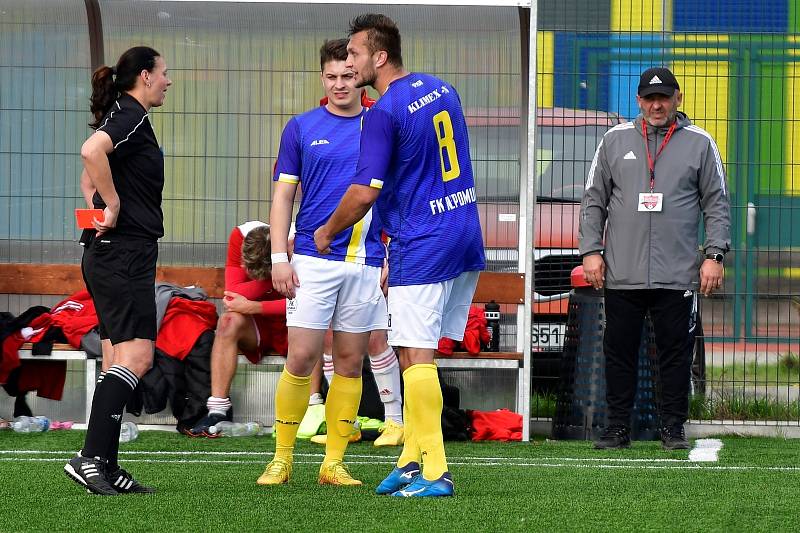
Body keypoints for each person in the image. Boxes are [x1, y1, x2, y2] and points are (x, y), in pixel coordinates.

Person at [314, 14, 485, 498]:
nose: (349, 62)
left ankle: (437, 472)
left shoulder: (384, 112)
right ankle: (411, 460)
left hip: (424, 240)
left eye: (355, 54)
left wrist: (326, 231)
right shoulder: (441, 88)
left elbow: (365, 192)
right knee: (413, 351)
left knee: (417, 355)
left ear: (379, 56)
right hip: (462, 230)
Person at [578, 67, 731, 451]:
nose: (657, 105)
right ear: (638, 101)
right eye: (649, 98)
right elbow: (593, 199)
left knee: (675, 354)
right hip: (622, 272)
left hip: (676, 273)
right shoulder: (614, 140)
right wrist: (591, 251)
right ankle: (616, 428)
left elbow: (717, 203)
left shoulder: (700, 142)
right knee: (619, 352)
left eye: (664, 97)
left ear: (678, 98)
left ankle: (673, 428)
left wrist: (714, 254)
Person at [259, 38, 389, 487]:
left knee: (351, 362)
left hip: (366, 261)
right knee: (301, 356)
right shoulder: (300, 127)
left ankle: (333, 462)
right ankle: (282, 457)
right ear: (322, 78)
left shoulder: (381, 124)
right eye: (332, 77)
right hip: (313, 260)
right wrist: (280, 257)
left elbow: (391, 195)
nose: (340, 84)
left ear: (361, 77)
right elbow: (282, 196)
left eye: (348, 76)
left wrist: (390, 253)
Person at [64, 46, 171, 495]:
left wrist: (99, 202)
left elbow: (89, 173)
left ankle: (104, 464)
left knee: (115, 358)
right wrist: (113, 204)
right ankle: (89, 458)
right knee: (137, 357)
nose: (168, 81)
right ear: (144, 76)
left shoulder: (124, 115)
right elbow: (92, 152)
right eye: (164, 73)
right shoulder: (130, 115)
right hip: (122, 254)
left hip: (114, 253)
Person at [185, 221, 328, 437]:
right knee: (227, 322)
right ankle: (218, 411)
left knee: (315, 325)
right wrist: (274, 281)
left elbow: (311, 301)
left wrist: (255, 304)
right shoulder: (240, 235)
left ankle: (312, 407)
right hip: (259, 324)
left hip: (294, 321)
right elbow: (232, 295)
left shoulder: (301, 241)